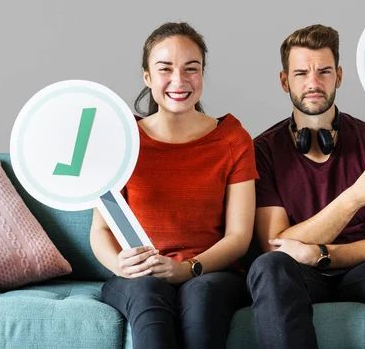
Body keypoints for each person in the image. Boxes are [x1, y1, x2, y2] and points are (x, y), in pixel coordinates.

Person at [247, 24, 365, 349]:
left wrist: (320, 253)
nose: (314, 83)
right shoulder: (263, 151)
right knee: (269, 267)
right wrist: (355, 197)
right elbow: (277, 246)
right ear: (284, 81)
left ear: (339, 76)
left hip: (363, 271)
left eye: (324, 71)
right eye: (301, 73)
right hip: (298, 275)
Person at [90, 22, 258, 349]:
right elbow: (100, 230)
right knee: (147, 295)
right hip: (139, 276)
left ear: (202, 75)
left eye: (190, 69)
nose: (179, 81)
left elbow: (239, 238)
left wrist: (187, 269)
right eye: (165, 69)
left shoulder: (233, 139)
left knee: (202, 302)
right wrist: (118, 265)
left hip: (208, 273)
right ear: (147, 77)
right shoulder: (122, 141)